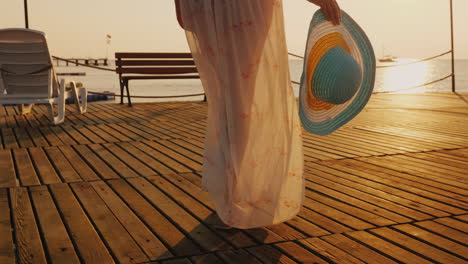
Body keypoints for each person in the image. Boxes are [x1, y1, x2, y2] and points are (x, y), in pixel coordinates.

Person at [175, 0, 341, 229]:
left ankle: (234, 192)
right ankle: (236, 193)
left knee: (231, 100)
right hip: (227, 7)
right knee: (235, 100)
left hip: (212, 7)